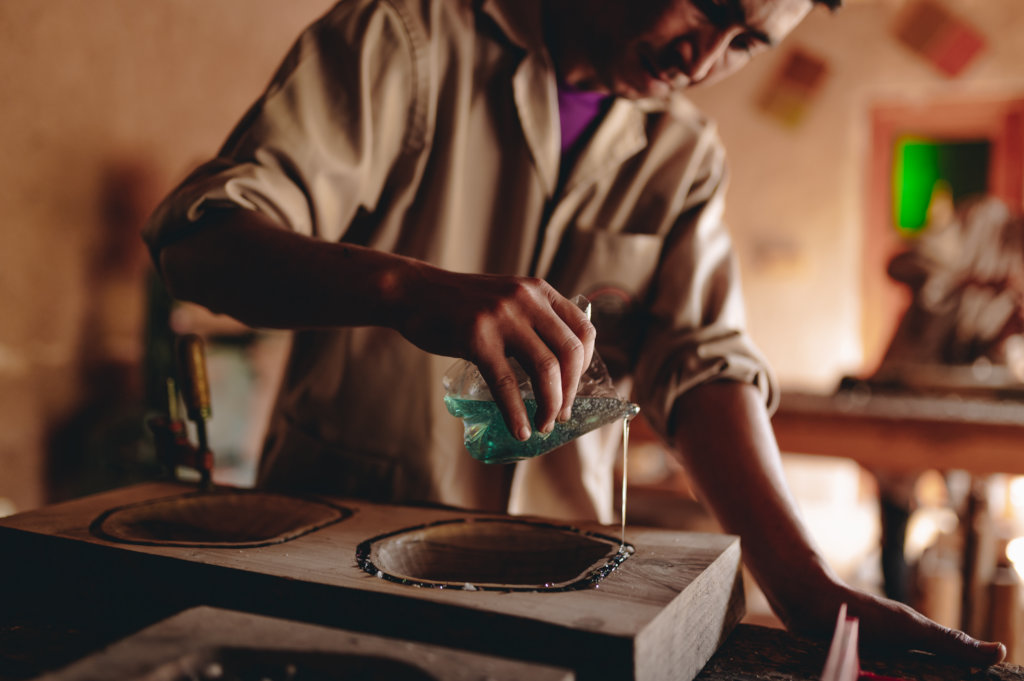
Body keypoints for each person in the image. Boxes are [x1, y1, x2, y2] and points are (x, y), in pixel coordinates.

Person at [144, 0, 1006, 665]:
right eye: (706, 5)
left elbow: (700, 365)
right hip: (344, 569)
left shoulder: (681, 154)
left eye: (746, 42)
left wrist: (805, 583)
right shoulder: (408, 42)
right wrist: (402, 287)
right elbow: (201, 241)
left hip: (569, 589)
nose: (703, 58)